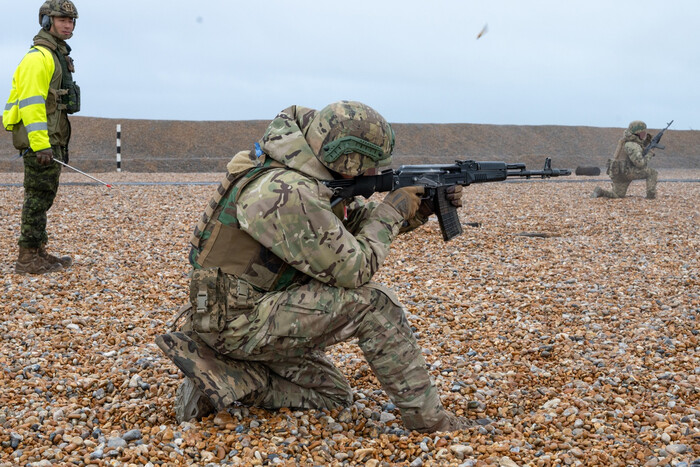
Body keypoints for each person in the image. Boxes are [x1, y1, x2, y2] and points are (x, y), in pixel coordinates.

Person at [156, 101, 471, 433]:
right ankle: (432, 423)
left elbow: (342, 231)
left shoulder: (302, 173)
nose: (377, 174)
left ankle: (224, 381)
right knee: (372, 304)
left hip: (240, 308)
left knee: (333, 395)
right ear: (348, 159)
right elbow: (355, 268)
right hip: (237, 322)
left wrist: (418, 210)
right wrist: (393, 210)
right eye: (370, 166)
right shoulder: (285, 192)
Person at [2, 0, 80, 274]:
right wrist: (41, 145)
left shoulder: (56, 55)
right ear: (47, 21)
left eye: (71, 21)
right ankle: (26, 257)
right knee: (36, 198)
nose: (68, 25)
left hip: (52, 138)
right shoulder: (39, 57)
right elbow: (32, 105)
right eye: (62, 20)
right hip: (42, 141)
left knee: (44, 196)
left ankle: (38, 251)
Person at [592, 120, 658, 199]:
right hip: (627, 172)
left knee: (617, 195)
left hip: (618, 173)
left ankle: (600, 192)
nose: (644, 135)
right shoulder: (632, 145)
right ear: (637, 133)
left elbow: (638, 149)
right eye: (643, 133)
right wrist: (650, 154)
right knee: (652, 173)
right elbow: (640, 164)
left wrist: (647, 142)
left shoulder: (626, 141)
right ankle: (651, 196)